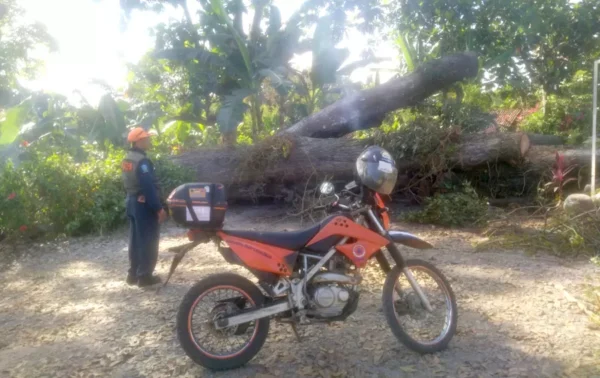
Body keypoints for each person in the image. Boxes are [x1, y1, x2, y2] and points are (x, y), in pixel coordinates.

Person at [122, 127, 167, 287]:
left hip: (131, 201)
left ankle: (133, 274)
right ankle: (145, 276)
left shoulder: (128, 158)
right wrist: (158, 208)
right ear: (139, 141)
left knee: (135, 240)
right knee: (148, 240)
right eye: (147, 138)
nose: (149, 140)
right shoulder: (142, 162)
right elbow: (148, 187)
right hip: (143, 204)